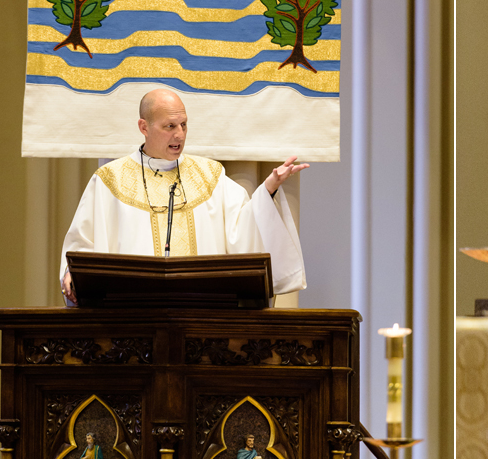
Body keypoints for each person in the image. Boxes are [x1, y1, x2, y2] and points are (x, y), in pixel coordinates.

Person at [60, 88, 309, 305]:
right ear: (143, 127)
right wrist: (73, 273)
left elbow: (243, 230)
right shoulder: (109, 180)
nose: (179, 134)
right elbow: (83, 243)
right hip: (131, 315)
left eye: (184, 125)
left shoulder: (209, 175)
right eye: (169, 126)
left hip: (203, 313)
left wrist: (268, 189)